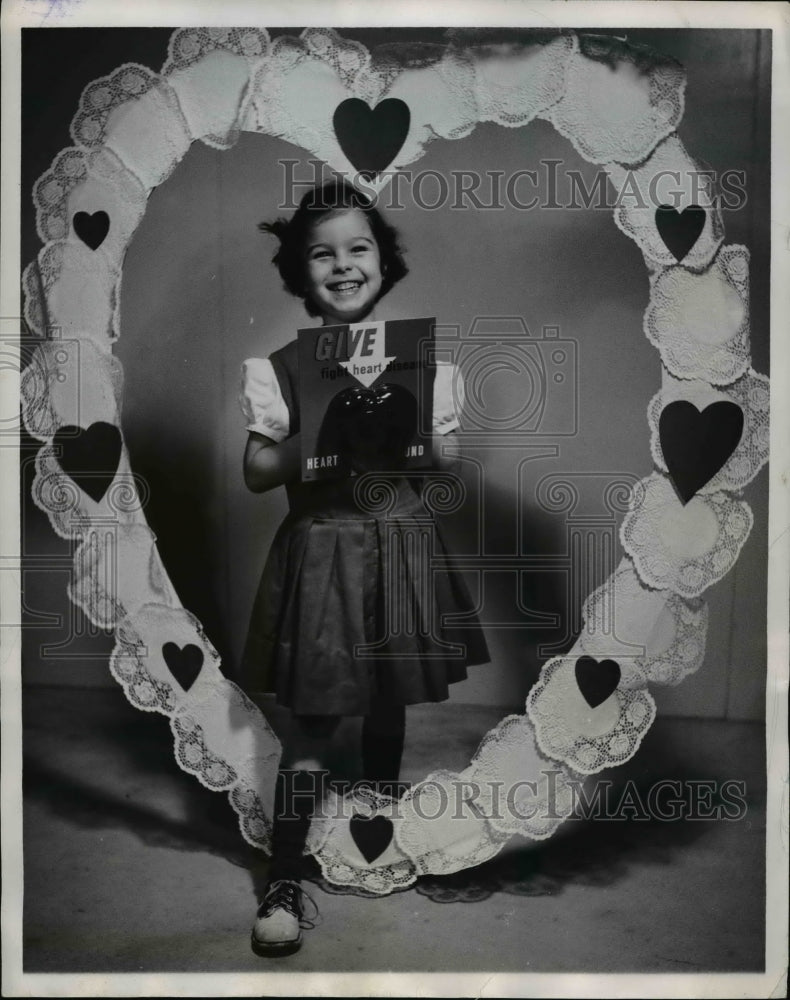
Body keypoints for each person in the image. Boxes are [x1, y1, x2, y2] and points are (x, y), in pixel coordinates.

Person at [239, 179, 489, 957]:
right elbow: (255, 470)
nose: (344, 265)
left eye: (359, 248)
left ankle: (377, 831)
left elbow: (445, 465)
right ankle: (284, 876)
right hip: (325, 548)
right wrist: (318, 430)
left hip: (401, 541)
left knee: (390, 700)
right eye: (323, 254)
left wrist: (434, 429)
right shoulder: (278, 367)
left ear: (383, 262)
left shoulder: (426, 362)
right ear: (299, 272)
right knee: (314, 724)